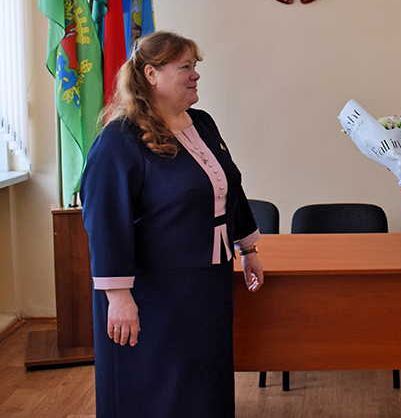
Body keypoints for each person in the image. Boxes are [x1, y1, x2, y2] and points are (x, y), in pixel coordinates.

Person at [80, 31, 265, 417]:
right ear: (152, 74)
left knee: (204, 382)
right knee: (160, 387)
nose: (195, 74)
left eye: (195, 66)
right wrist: (118, 296)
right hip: (154, 292)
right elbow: (105, 219)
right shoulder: (120, 138)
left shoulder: (203, 123)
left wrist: (248, 249)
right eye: (185, 67)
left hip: (207, 283)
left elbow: (227, 188)